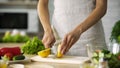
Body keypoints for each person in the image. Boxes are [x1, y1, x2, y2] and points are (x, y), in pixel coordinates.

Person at [37, 0, 107, 56]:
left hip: (90, 40)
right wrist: (47, 30)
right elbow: (42, 3)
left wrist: (78, 30)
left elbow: (101, 7)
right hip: (59, 39)